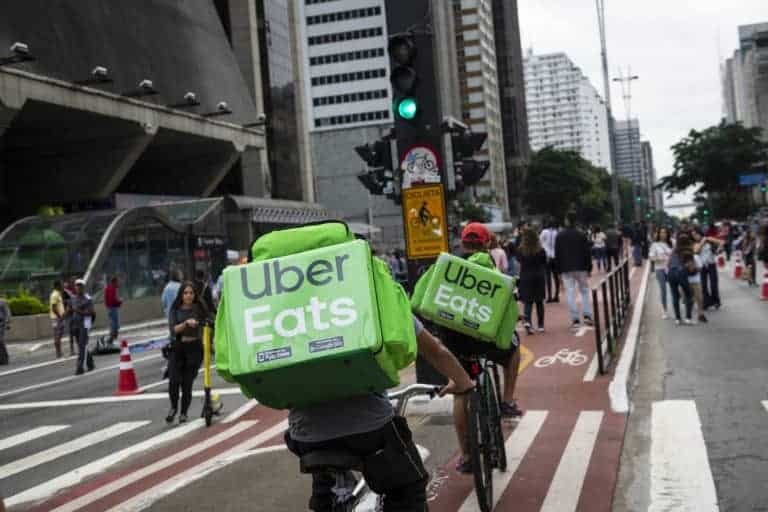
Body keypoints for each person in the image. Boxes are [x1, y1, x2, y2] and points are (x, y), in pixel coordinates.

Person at [286, 314, 474, 511]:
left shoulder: (289, 307)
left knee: (326, 482)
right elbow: (436, 350)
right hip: (371, 429)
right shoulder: (373, 295)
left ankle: (326, 496)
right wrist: (463, 381)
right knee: (408, 490)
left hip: (305, 434)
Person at [441, 223, 523, 474]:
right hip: (484, 339)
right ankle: (507, 400)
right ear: (487, 243)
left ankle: (466, 455)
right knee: (514, 349)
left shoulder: (448, 266)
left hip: (455, 342)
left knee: (461, 391)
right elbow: (507, 298)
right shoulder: (487, 265)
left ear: (462, 243)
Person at [166, 281, 210, 423]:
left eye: (191, 293)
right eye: (185, 293)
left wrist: (202, 323)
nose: (188, 296)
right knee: (173, 381)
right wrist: (186, 323)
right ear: (181, 294)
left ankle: (184, 412)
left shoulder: (199, 308)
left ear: (194, 294)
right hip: (178, 348)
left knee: (187, 383)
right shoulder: (175, 309)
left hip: (194, 349)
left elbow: (210, 319)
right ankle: (173, 408)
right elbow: (173, 329)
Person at [555, 214, 594, 330]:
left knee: (570, 292)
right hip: (581, 266)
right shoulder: (581, 234)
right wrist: (589, 267)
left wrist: (558, 270)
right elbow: (587, 252)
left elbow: (558, 254)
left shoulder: (560, 235)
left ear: (566, 221)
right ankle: (587, 315)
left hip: (566, 268)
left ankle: (575, 318)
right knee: (584, 290)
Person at [517, 227, 547, 335]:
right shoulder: (541, 250)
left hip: (526, 277)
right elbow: (544, 262)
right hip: (538, 276)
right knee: (539, 302)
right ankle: (541, 325)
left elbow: (519, 262)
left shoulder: (521, 250)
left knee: (528, 302)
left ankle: (528, 323)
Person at [667, 234, 695, 325]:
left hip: (671, 273)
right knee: (689, 294)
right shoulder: (688, 251)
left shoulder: (674, 250)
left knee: (675, 296)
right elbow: (691, 267)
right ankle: (688, 318)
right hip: (681, 273)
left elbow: (668, 263)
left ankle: (677, 319)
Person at [692, 230, 722, 310]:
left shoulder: (709, 239)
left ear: (700, 234)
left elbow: (721, 242)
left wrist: (718, 249)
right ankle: (707, 302)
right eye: (693, 235)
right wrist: (702, 241)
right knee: (703, 286)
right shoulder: (695, 244)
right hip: (702, 266)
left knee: (713, 284)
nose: (695, 236)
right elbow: (696, 251)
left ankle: (716, 301)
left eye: (696, 234)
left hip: (711, 264)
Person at [71, 279, 95, 375]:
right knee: (82, 345)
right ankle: (90, 363)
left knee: (82, 345)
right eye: (77, 285)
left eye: (80, 285)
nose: (78, 287)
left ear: (83, 287)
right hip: (75, 325)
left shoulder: (88, 299)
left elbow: (91, 312)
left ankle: (79, 367)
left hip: (85, 324)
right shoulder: (73, 298)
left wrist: (78, 311)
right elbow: (70, 310)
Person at [649, 228, 673, 319]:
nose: (663, 234)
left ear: (667, 234)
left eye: (665, 232)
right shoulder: (655, 245)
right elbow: (651, 257)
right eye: (661, 232)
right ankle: (664, 310)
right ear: (658, 234)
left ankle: (676, 306)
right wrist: (659, 258)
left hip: (671, 269)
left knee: (675, 288)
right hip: (660, 269)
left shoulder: (672, 243)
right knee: (663, 289)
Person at [540, 220, 560, 303]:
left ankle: (549, 296)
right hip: (555, 256)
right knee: (556, 277)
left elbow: (540, 242)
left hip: (547, 256)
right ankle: (556, 295)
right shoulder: (557, 233)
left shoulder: (544, 232)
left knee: (548, 277)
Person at [50, 280, 67, 358]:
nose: (62, 286)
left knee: (58, 335)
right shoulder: (55, 295)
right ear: (57, 286)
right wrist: (60, 317)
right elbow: (54, 308)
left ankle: (59, 352)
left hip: (58, 318)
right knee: (57, 335)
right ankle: (58, 353)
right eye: (61, 285)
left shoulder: (58, 294)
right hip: (57, 318)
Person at [104, 276, 122, 346]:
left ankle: (111, 340)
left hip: (111, 308)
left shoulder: (110, 289)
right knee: (115, 326)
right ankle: (110, 340)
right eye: (118, 282)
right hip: (112, 308)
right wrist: (119, 301)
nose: (119, 283)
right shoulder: (111, 289)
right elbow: (112, 300)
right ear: (114, 282)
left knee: (115, 326)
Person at [0, 296, 11, 365]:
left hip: (1, 324)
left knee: (0, 341)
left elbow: (7, 313)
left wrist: (7, 323)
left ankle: (4, 359)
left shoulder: (2, 302)